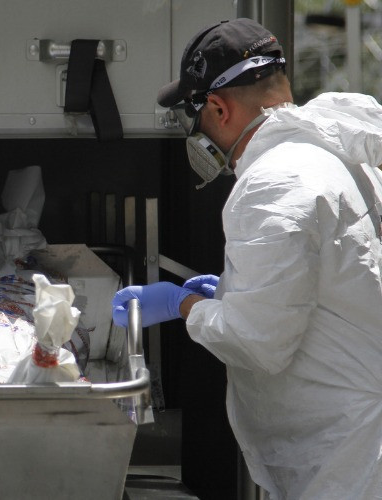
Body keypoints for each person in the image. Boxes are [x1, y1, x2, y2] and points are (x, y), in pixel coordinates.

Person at [112, 18, 382, 500]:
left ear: (218, 106)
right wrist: (235, 293)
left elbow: (258, 342)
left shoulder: (272, 185)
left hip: (348, 454)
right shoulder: (332, 153)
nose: (200, 139)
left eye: (197, 123)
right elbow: (326, 286)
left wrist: (182, 305)